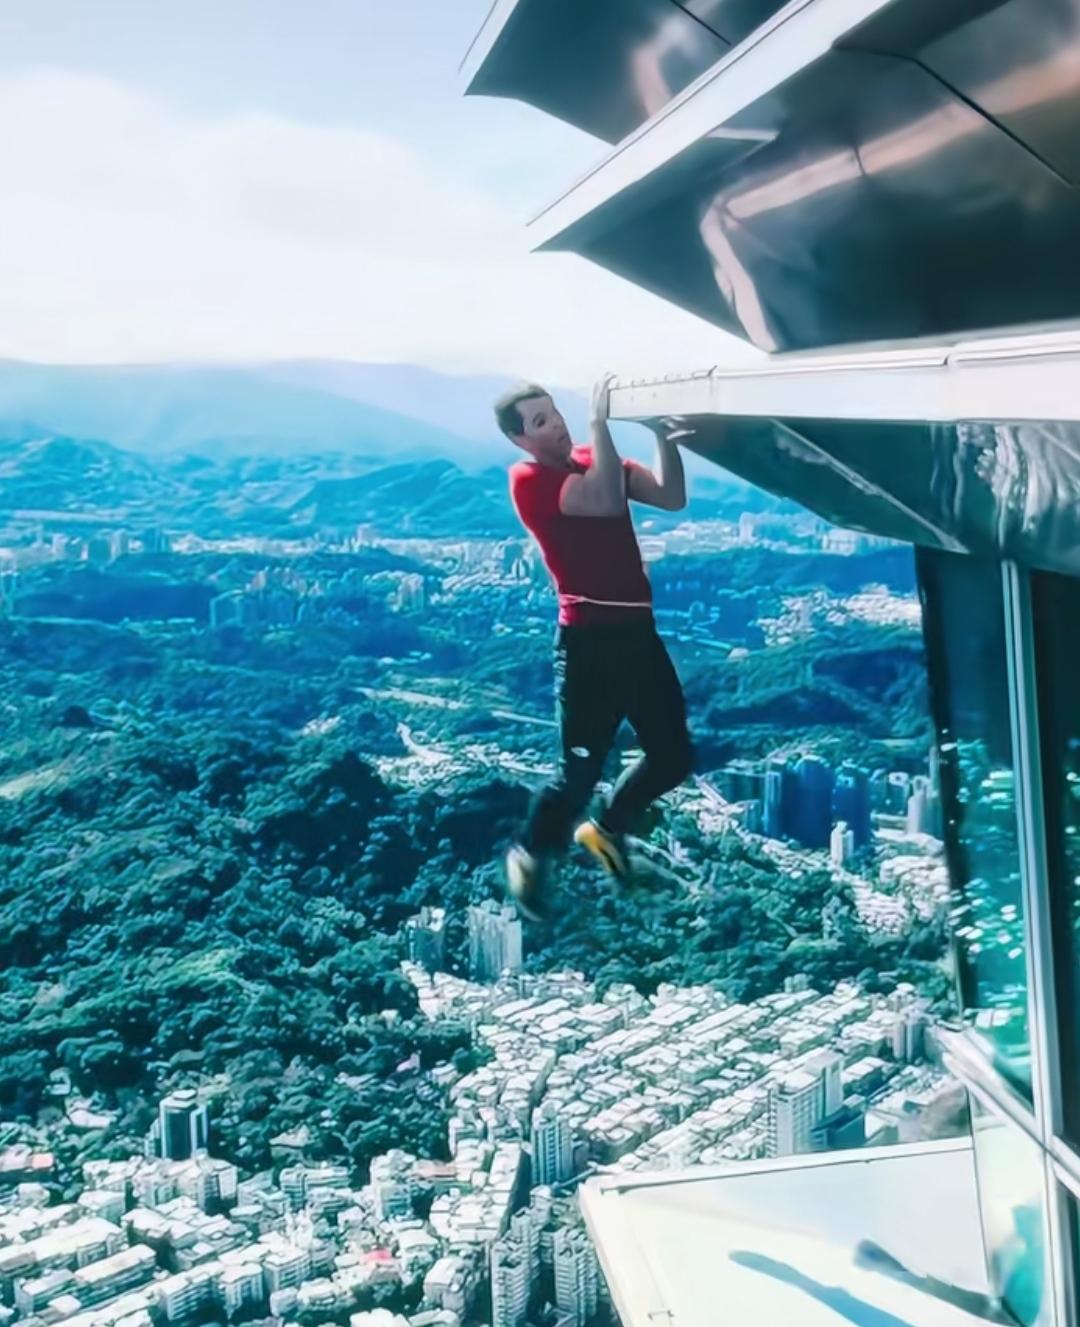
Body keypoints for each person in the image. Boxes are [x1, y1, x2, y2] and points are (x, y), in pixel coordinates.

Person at [494, 372, 695, 920]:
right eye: (539, 422)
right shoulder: (528, 480)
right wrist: (599, 422)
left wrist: (662, 437)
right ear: (519, 439)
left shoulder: (591, 460)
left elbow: (670, 497)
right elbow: (605, 501)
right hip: (589, 644)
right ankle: (532, 853)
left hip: (637, 635)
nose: (555, 425)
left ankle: (608, 828)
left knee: (673, 756)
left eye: (555, 412)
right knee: (580, 773)